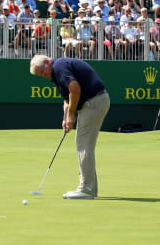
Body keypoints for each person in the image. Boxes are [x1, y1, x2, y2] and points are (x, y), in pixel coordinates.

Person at [29, 54, 110, 199]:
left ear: (47, 62)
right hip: (95, 102)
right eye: (40, 74)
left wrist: (72, 114)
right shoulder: (56, 73)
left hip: (93, 102)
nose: (43, 75)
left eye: (42, 71)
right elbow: (67, 99)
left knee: (83, 144)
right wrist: (66, 117)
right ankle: (90, 188)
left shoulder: (59, 67)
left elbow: (75, 89)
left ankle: (86, 189)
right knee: (83, 144)